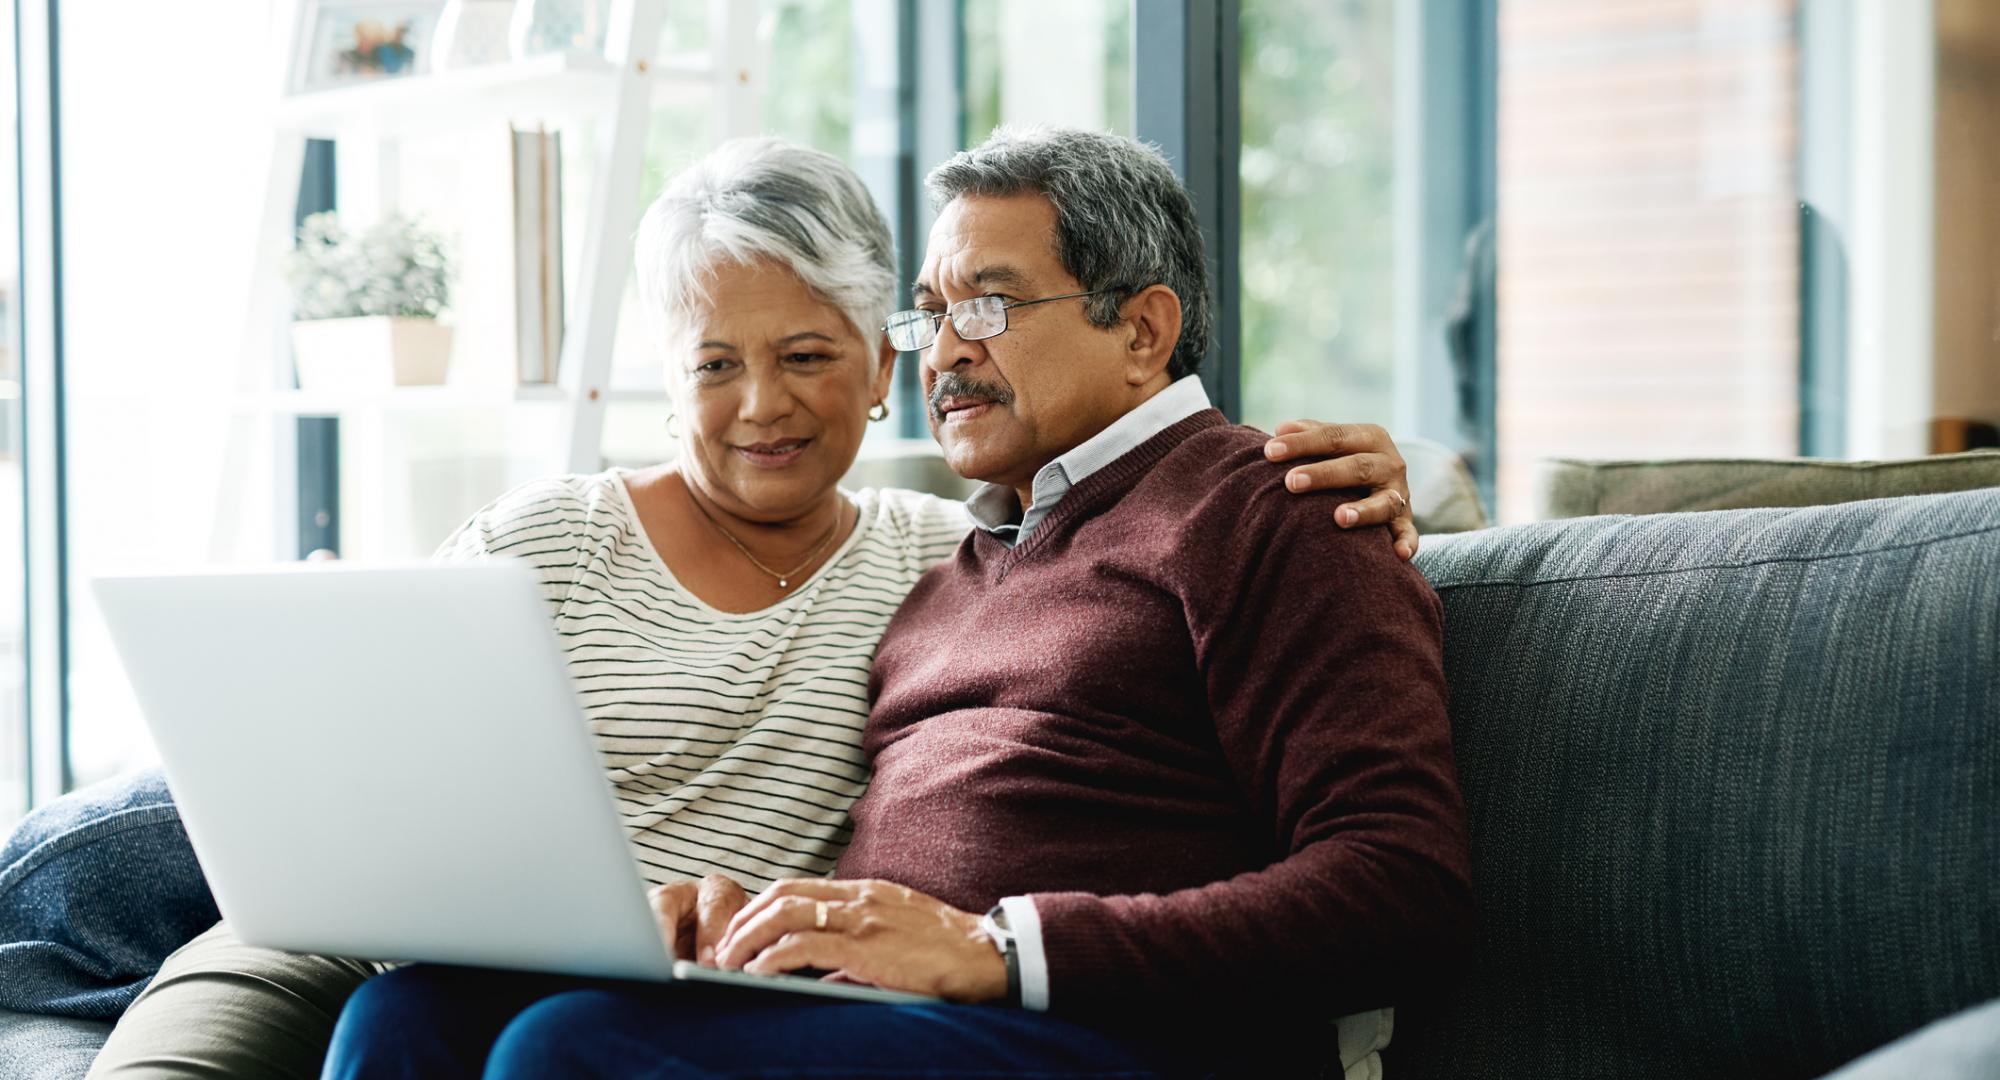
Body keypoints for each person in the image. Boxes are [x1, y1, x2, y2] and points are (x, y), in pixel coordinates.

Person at [0, 136, 1417, 1079]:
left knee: (565, 1051)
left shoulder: (1272, 505)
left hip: (1096, 1028)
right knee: (401, 1013)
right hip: (852, 991)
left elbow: (1402, 886)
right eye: (935, 315)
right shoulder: (976, 556)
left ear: (1146, 328)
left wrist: (996, 948)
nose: (941, 356)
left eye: (982, 306)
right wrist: (744, 920)